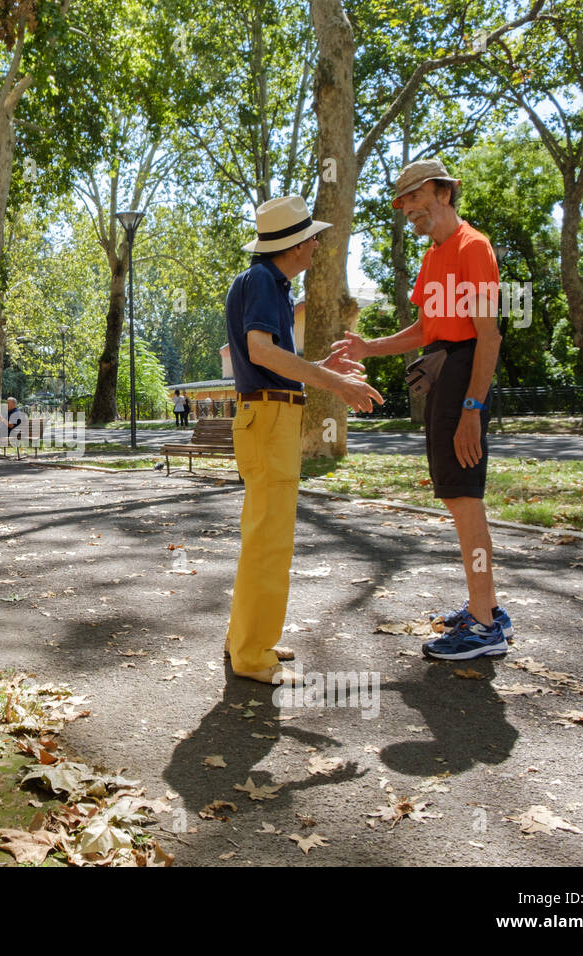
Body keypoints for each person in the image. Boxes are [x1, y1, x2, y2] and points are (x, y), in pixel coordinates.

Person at [331, 158, 510, 661]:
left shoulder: (474, 247)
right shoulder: (433, 258)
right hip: (444, 373)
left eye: (413, 196)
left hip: (465, 376)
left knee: (464, 498)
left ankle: (482, 627)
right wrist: (369, 348)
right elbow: (426, 331)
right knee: (458, 497)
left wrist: (473, 407)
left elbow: (488, 335)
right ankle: (488, 608)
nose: (406, 208)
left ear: (443, 193)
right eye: (402, 201)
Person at [223, 195, 383, 685]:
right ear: (293, 244)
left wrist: (321, 371)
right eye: (311, 236)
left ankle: (248, 640)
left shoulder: (261, 282)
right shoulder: (266, 282)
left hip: (269, 416)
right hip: (269, 418)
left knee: (264, 537)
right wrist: (336, 384)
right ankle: (252, 654)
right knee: (269, 541)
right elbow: (261, 352)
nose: (316, 244)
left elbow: (269, 356)